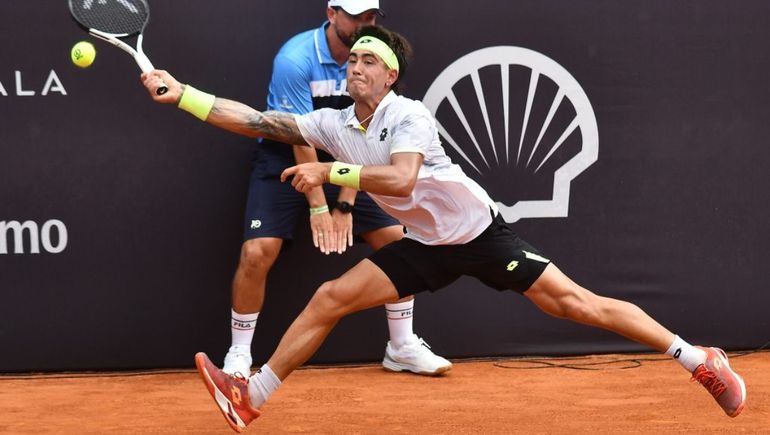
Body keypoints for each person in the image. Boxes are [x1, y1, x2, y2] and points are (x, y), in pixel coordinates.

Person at [141, 24, 746, 432]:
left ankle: (698, 358)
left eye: (369, 61)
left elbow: (401, 180)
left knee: (573, 304)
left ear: (390, 76)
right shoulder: (333, 121)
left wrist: (328, 170)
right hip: (427, 246)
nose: (356, 66)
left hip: (479, 236)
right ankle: (251, 399)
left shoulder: (409, 114)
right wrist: (183, 94)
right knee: (330, 298)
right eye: (352, 59)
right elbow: (257, 120)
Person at [222, 0, 451, 378]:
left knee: (398, 242)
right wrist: (318, 207)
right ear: (332, 14)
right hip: (284, 157)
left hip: (347, 159)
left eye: (371, 16)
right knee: (257, 251)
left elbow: (361, 137)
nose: (365, 23)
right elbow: (298, 135)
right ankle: (239, 353)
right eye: (356, 16)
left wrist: (344, 204)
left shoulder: (374, 61)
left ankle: (401, 345)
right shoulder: (295, 59)